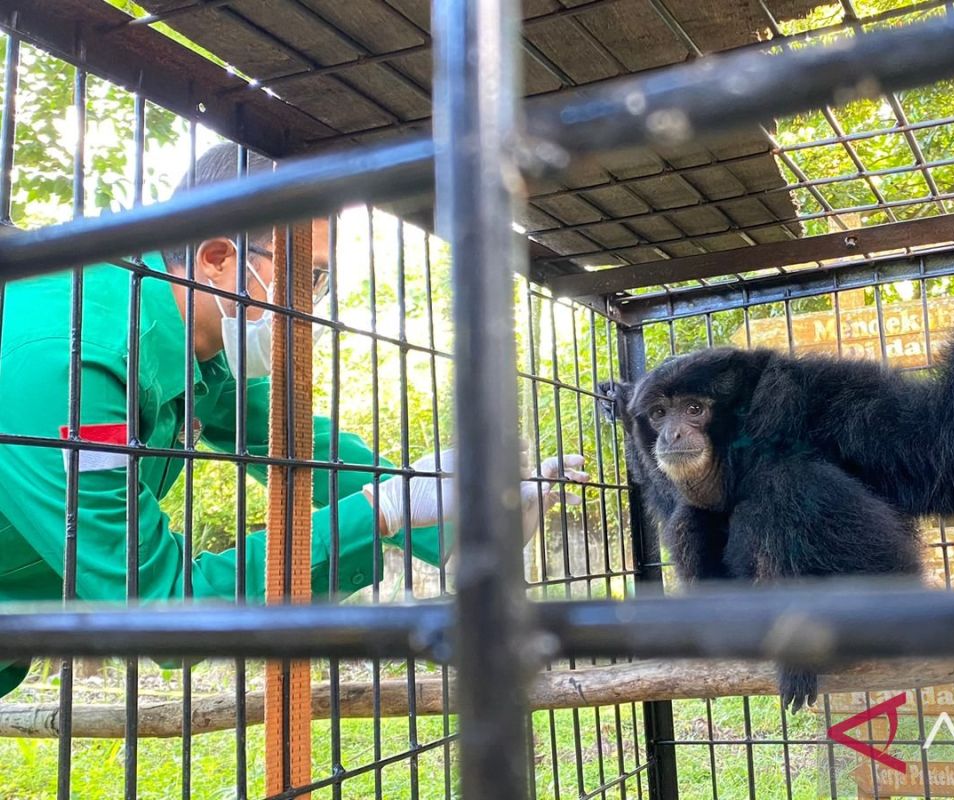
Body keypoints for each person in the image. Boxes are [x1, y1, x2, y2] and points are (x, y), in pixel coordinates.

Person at [0, 143, 586, 697]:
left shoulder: (186, 337)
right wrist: (381, 511)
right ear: (216, 257)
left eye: (321, 281)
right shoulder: (74, 359)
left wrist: (457, 523)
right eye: (304, 277)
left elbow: (299, 445)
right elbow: (159, 601)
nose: (311, 308)